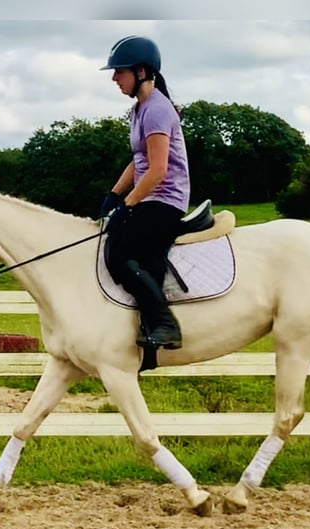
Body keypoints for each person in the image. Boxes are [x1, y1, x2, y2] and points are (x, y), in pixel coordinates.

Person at [99, 35, 190, 350]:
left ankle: (165, 324)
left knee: (119, 255)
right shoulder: (139, 110)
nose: (114, 78)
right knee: (119, 247)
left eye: (119, 72)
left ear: (140, 71)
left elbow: (158, 169)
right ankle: (148, 323)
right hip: (149, 195)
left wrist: (128, 204)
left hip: (165, 199)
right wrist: (113, 194)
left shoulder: (157, 110)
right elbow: (138, 162)